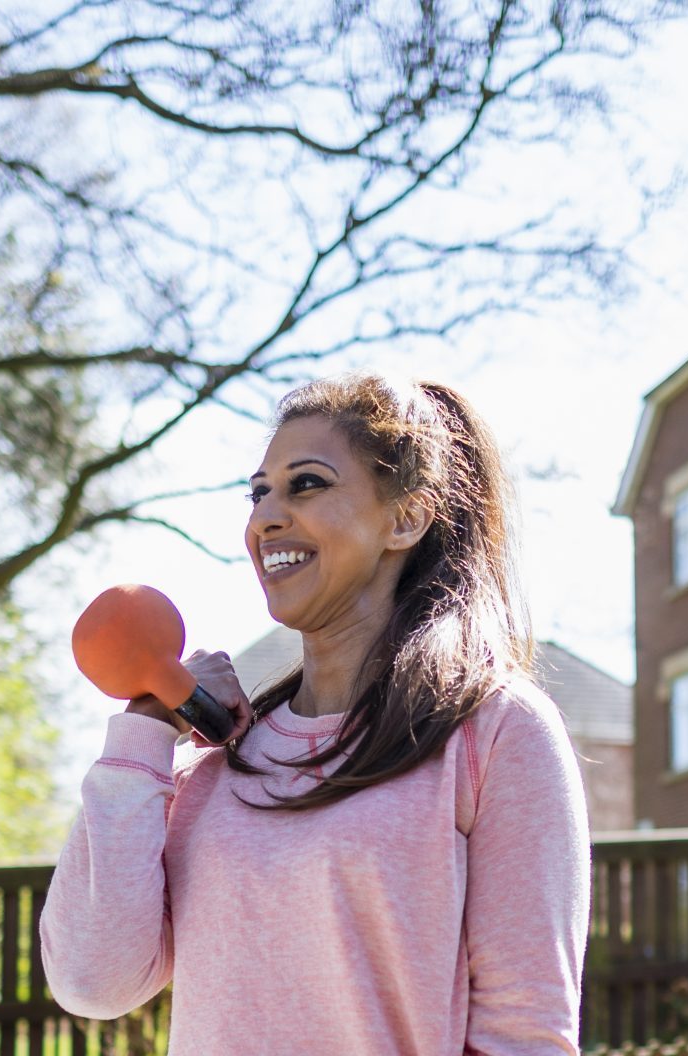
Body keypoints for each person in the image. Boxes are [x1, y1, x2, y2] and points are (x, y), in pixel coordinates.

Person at [40, 373, 589, 1054]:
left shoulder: (497, 732)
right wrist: (146, 728)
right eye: (258, 491)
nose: (265, 516)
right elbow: (92, 981)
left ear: (406, 518)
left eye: (306, 484)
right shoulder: (217, 760)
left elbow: (526, 1037)